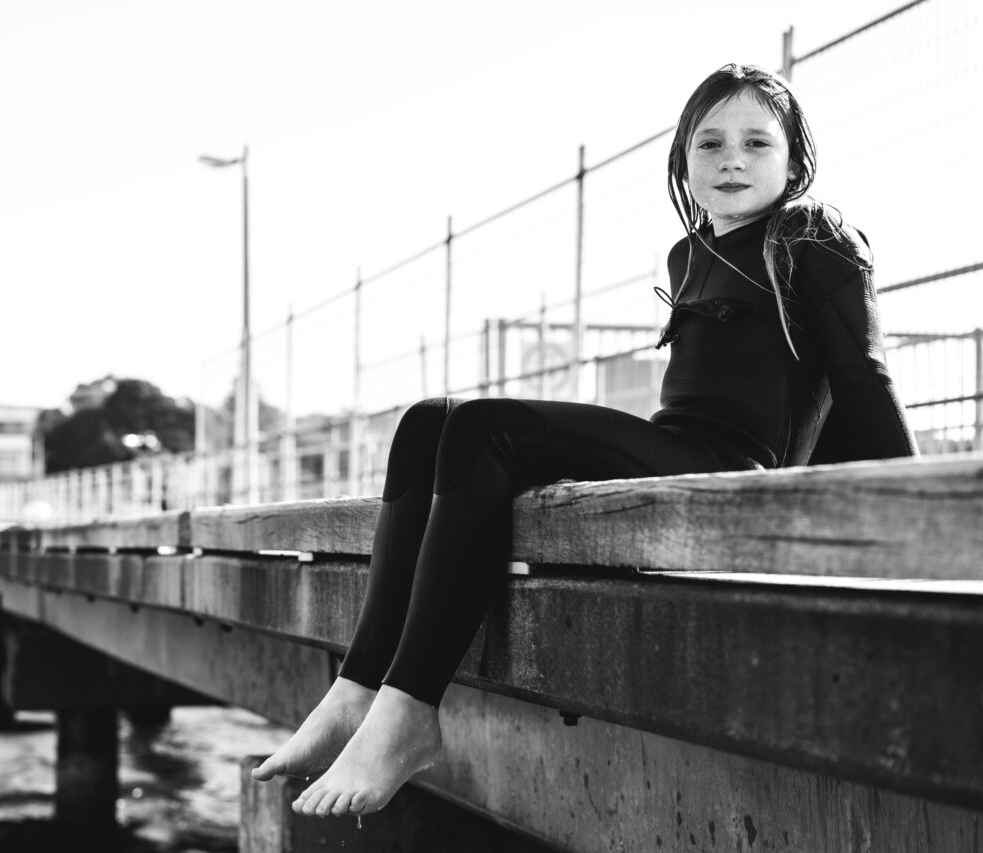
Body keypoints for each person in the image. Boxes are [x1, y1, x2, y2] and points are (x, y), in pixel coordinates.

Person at [251, 63, 918, 818]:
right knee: (427, 421)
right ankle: (357, 688)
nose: (732, 159)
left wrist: (921, 524)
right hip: (673, 450)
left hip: (729, 471)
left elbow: (864, 381)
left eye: (757, 143)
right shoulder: (689, 251)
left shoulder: (811, 235)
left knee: (482, 427)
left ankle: (408, 713)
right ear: (683, 162)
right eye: (710, 142)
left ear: (794, 162)